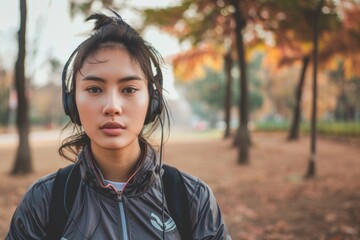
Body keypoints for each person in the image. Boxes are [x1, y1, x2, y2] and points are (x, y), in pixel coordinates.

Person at [6, 10, 231, 240]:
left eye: (129, 89)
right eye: (94, 89)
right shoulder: (44, 201)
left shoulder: (192, 198)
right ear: (72, 102)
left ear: (152, 102)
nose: (112, 106)